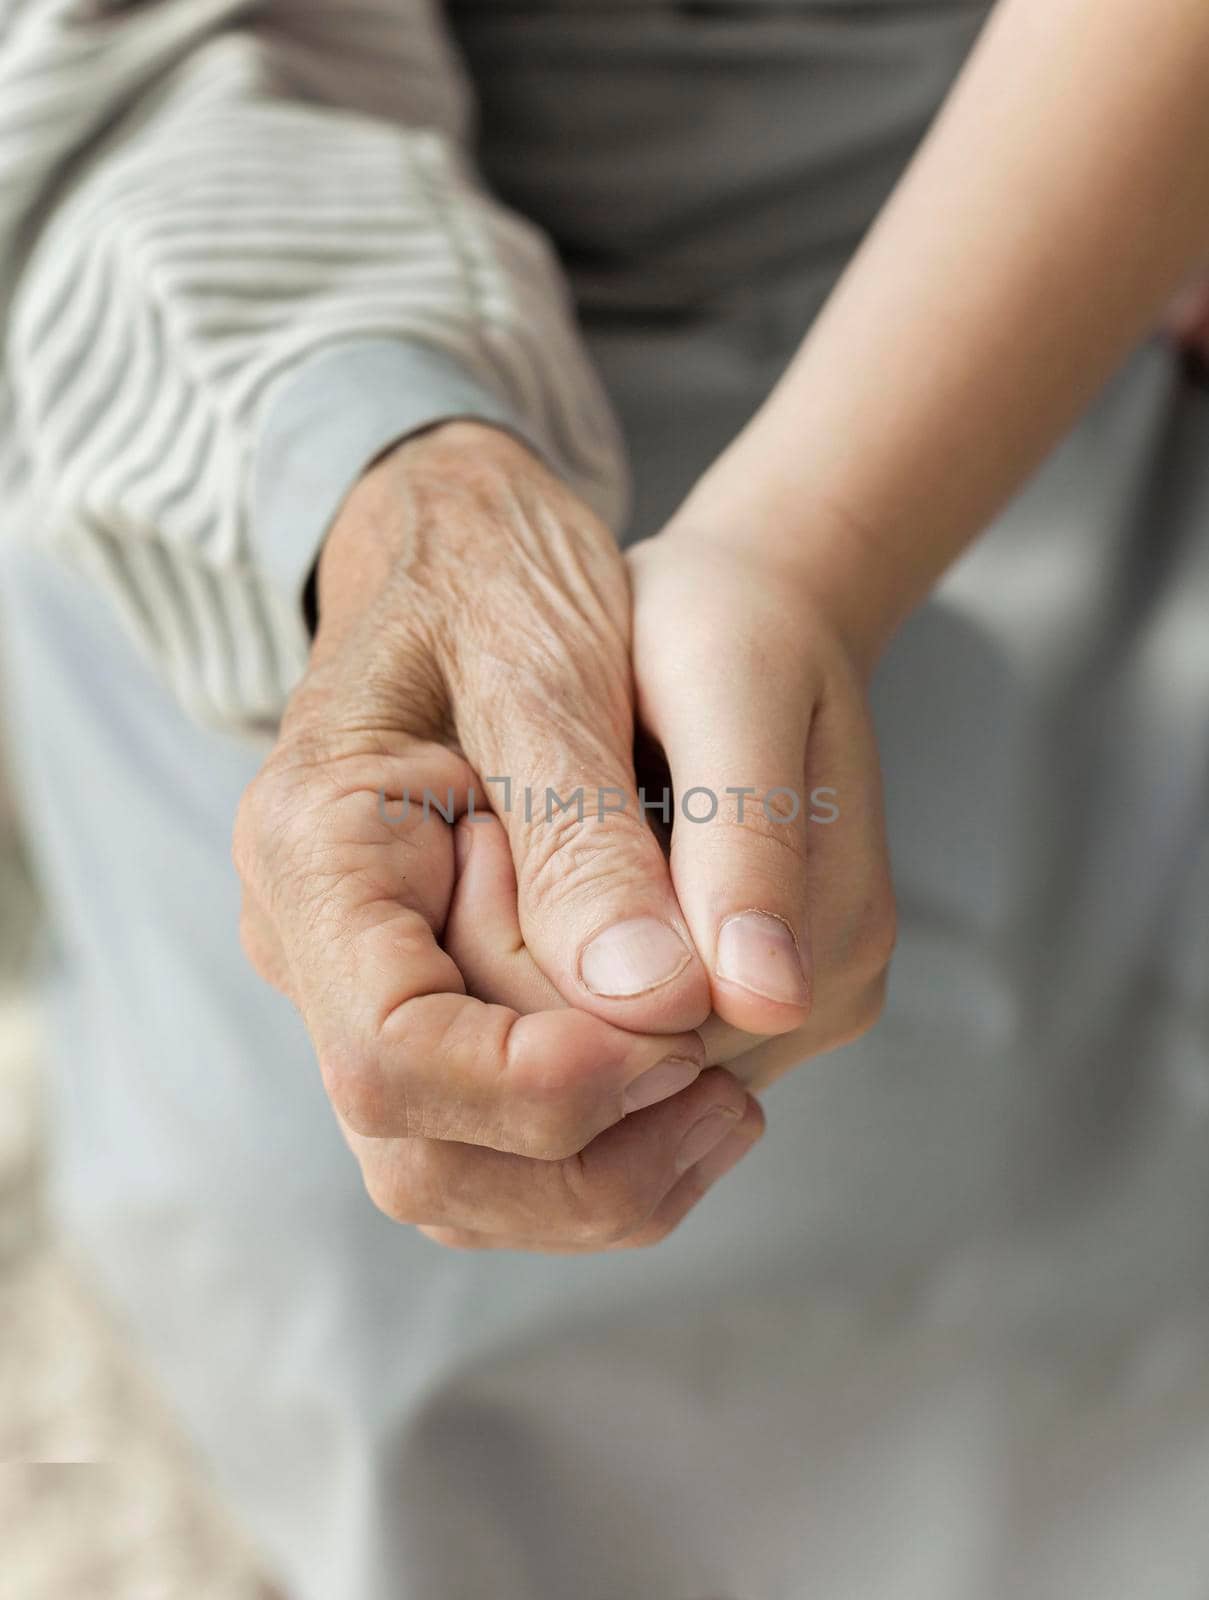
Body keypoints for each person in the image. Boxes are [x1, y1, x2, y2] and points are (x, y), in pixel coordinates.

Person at [2, 0, 1208, 1593]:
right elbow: (137, 65)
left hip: (1041, 215)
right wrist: (397, 486)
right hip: (281, 312)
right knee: (354, 1149)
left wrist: (803, 553)